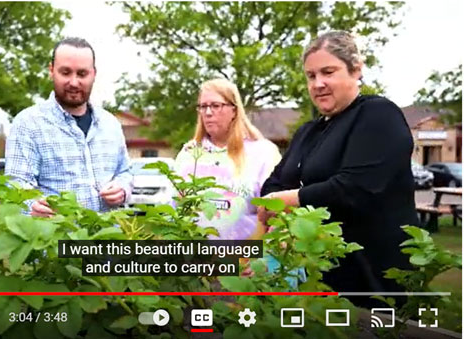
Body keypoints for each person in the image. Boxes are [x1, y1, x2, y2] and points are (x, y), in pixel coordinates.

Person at [259, 31, 417, 304]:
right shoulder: (308, 132)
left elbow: (354, 189)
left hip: (369, 277)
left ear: (356, 70)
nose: (318, 83)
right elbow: (274, 182)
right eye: (311, 76)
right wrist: (278, 199)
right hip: (311, 275)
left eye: (328, 72)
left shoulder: (377, 115)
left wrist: (286, 200)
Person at [5, 37, 132, 215]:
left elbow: (125, 172)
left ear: (93, 74)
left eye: (82, 74)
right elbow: (16, 184)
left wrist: (122, 189)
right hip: (55, 238)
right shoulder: (28, 123)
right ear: (51, 71)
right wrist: (30, 206)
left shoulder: (110, 124)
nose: (73, 82)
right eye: (65, 72)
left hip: (107, 237)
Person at [174, 78, 282, 240]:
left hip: (246, 258)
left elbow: (275, 211)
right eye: (203, 107)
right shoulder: (189, 153)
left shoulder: (263, 153)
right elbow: (172, 206)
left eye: (216, 106)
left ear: (234, 110)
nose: (208, 112)